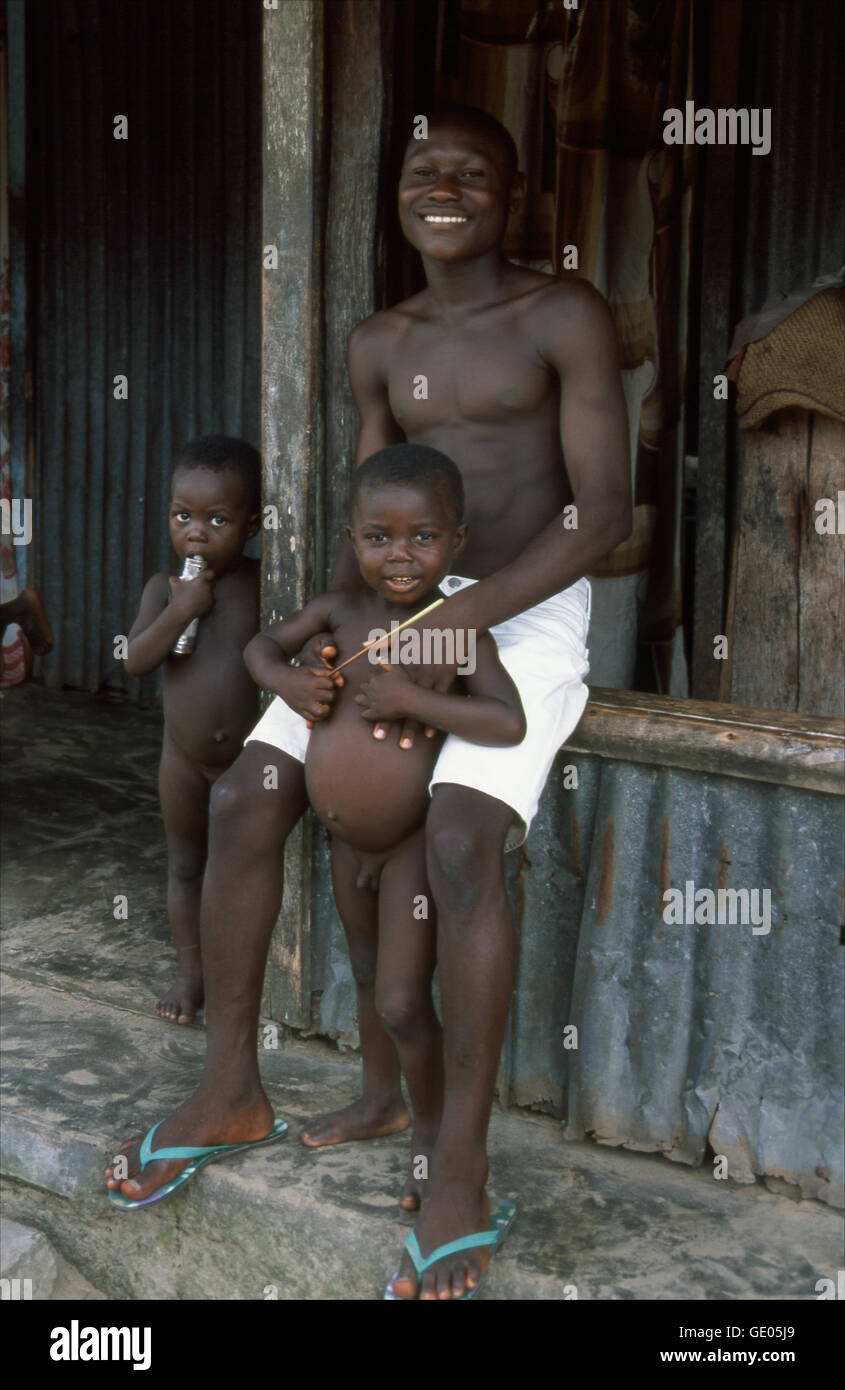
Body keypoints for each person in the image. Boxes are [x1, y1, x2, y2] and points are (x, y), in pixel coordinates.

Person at [105, 106, 631, 1301]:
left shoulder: (563, 313)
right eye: (420, 169)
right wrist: (326, 650)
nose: (442, 187)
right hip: (393, 605)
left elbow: (598, 514)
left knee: (458, 838)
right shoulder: (377, 340)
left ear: (514, 192)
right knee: (247, 790)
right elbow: (369, 513)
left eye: (471, 172)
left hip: (525, 612)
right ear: (394, 190)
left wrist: (456, 622)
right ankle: (231, 1087)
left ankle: (458, 1169)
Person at [245, 444, 524, 1237]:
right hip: (344, 844)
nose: (399, 557)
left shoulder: (453, 634)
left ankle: (436, 1133)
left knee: (403, 997)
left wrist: (412, 697)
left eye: (421, 539)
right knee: (367, 978)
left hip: (405, 847)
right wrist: (287, 682)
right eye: (378, 538)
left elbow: (507, 722)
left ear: (456, 541)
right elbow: (258, 647)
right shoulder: (339, 612)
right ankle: (379, 1104)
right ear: (352, 538)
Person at [123, 436, 261, 1025]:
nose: (197, 533)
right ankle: (190, 974)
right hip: (180, 760)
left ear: (252, 525)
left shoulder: (262, 584)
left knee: (237, 872)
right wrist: (180, 610)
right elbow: (134, 659)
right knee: (185, 865)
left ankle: (243, 979)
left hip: (245, 762)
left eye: (218, 520)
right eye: (184, 516)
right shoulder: (163, 587)